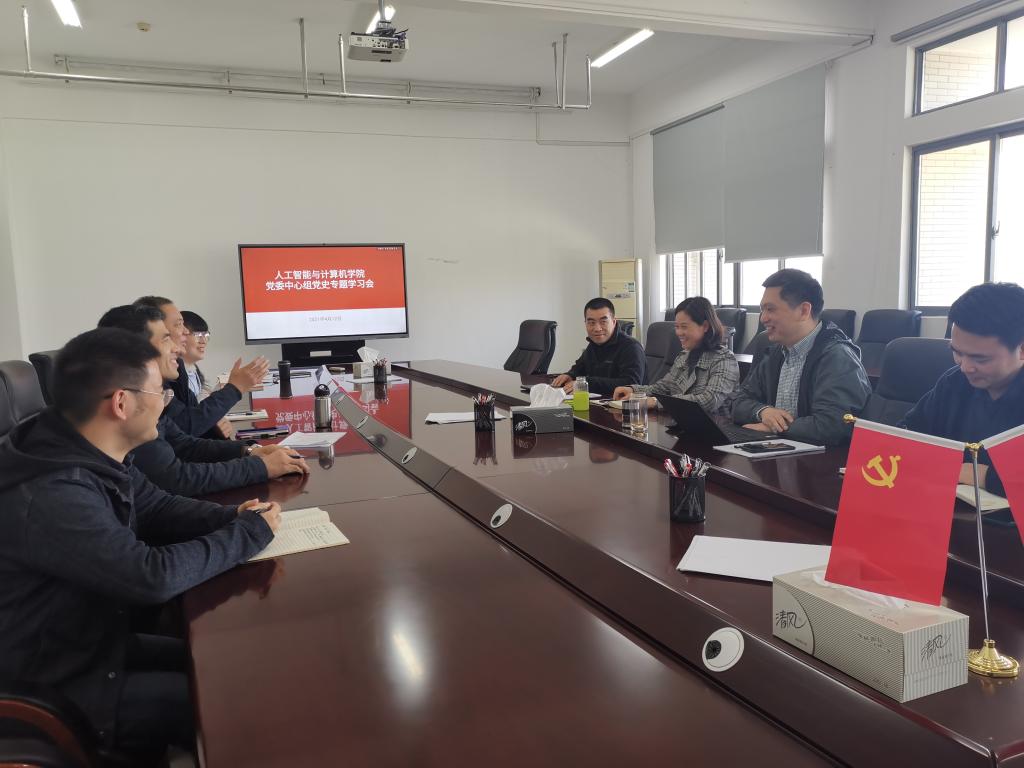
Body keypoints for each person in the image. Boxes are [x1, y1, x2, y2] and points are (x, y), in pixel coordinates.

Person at [0, 327, 281, 761]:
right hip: (62, 681)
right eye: (160, 393)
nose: (165, 404)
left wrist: (234, 517)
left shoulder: (82, 445)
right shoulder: (54, 490)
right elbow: (151, 577)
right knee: (232, 702)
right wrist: (246, 535)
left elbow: (155, 505)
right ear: (121, 403)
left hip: (93, 643)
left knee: (226, 663)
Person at [98, 304, 308, 495]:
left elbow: (184, 444)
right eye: (168, 337)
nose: (178, 346)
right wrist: (260, 467)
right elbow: (176, 477)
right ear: (136, 350)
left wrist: (250, 451)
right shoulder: (132, 404)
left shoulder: (157, 389)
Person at [900, 282, 1024, 495]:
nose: (965, 367)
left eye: (980, 359)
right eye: (957, 352)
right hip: (945, 504)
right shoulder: (954, 382)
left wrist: (980, 475)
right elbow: (907, 436)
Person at [731, 269, 871, 446]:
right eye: (762, 310)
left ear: (804, 311)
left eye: (770, 309)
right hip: (779, 451)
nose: (763, 318)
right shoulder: (775, 354)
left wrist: (775, 428)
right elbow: (738, 403)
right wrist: (763, 412)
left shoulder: (838, 356)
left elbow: (833, 425)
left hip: (821, 458)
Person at [134, 295, 268, 438]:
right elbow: (184, 427)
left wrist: (245, 447)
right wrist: (234, 389)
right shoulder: (141, 382)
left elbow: (190, 427)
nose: (186, 332)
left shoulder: (178, 369)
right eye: (178, 325)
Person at [612, 297, 739, 416]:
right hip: (682, 423)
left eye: (684, 327)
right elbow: (663, 388)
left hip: (714, 428)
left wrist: (656, 402)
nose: (678, 332)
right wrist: (633, 390)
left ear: (705, 326)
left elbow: (709, 400)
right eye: (677, 327)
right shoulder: (684, 356)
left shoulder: (724, 359)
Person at [550, 298, 646, 396]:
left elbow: (631, 384)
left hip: (625, 404)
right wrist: (570, 375)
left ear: (614, 322)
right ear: (585, 323)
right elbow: (579, 368)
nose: (597, 328)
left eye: (603, 322)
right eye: (591, 323)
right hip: (600, 401)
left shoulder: (631, 347)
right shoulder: (594, 344)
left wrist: (587, 383)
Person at [181, 310, 212, 401]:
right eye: (198, 335)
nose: (203, 341)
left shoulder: (194, 371)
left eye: (206, 335)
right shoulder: (172, 377)